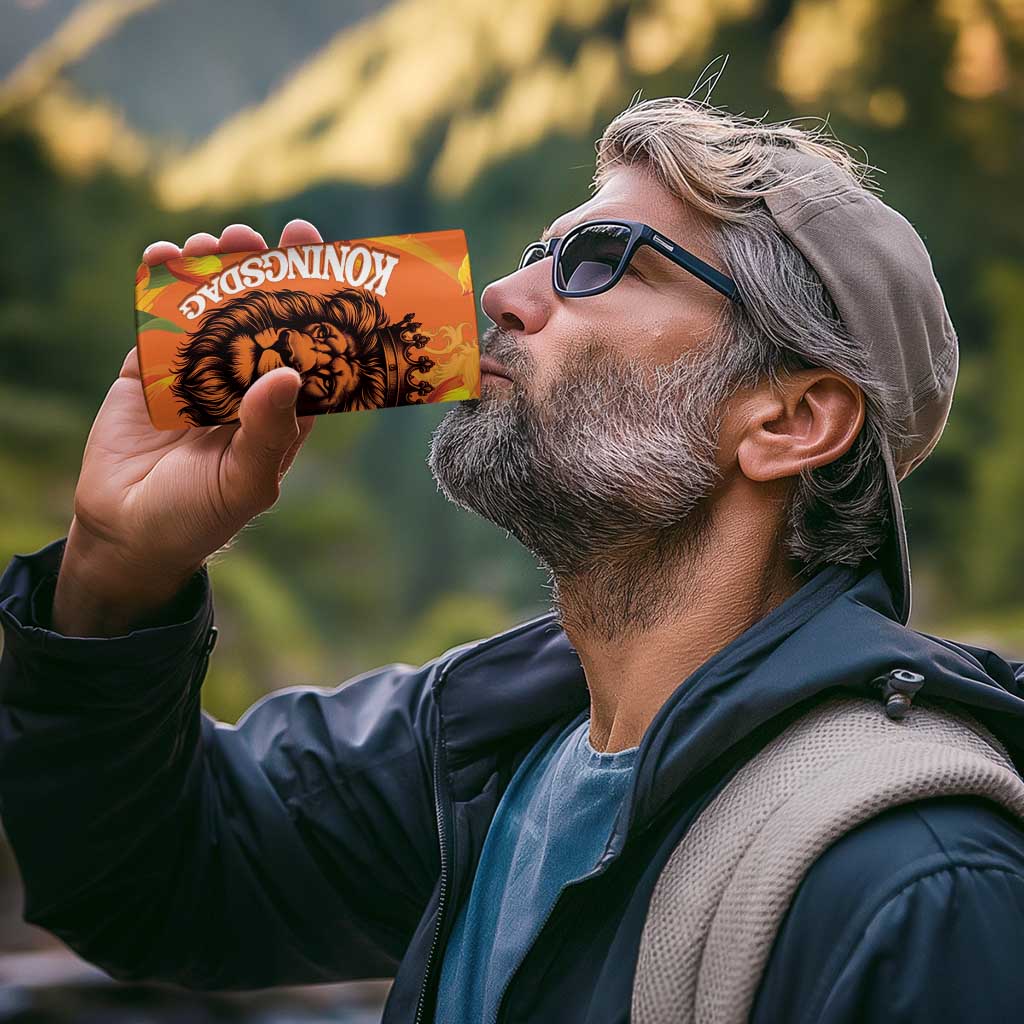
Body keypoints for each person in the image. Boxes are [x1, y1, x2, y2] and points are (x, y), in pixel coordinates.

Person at [2, 95, 1024, 1024]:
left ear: (791, 420)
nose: (501, 292)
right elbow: (149, 880)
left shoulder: (918, 883)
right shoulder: (479, 749)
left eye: (599, 261)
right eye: (540, 252)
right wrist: (116, 570)